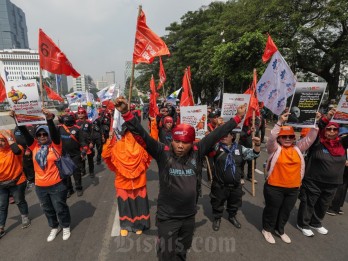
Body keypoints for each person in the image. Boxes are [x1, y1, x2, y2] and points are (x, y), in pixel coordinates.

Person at [114, 96, 246, 261]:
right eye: (177, 141)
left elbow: (217, 134)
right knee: (165, 254)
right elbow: (142, 135)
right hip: (167, 218)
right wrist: (126, 113)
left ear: (193, 142)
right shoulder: (163, 153)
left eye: (185, 142)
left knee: (181, 252)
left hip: (188, 217)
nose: (180, 146)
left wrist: (238, 117)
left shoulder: (198, 152)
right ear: (172, 140)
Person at [262, 112, 319, 244]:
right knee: (272, 210)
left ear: (294, 138)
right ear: (279, 138)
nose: (287, 138)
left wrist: (314, 122)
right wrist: (279, 122)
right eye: (284, 136)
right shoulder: (274, 149)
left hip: (293, 188)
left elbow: (310, 139)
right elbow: (271, 139)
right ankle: (267, 229)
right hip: (274, 187)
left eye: (291, 136)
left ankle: (280, 230)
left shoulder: (298, 148)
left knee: (285, 211)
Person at [15, 109, 71, 242]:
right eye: (39, 134)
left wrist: (49, 119)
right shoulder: (34, 146)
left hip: (57, 185)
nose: (42, 136)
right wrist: (16, 118)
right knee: (47, 209)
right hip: (40, 187)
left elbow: (54, 133)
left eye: (44, 133)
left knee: (60, 208)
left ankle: (66, 226)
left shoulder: (55, 146)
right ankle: (54, 227)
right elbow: (24, 132)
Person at [102, 113, 158, 236]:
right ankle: (126, 225)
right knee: (125, 205)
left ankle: (139, 224)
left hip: (138, 181)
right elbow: (106, 155)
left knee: (139, 204)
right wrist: (109, 139)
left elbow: (153, 145)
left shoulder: (140, 146)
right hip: (122, 182)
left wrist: (154, 125)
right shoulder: (117, 145)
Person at [297, 108, 348, 237]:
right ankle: (303, 224)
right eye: (329, 129)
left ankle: (316, 223)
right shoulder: (318, 141)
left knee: (323, 204)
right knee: (309, 203)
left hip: (333, 183)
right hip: (314, 180)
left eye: (334, 129)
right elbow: (319, 126)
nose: (331, 131)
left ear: (338, 132)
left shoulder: (342, 143)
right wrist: (327, 117)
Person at [210, 130, 261, 231]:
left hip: (236, 185)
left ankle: (232, 216)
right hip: (220, 185)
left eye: (226, 135)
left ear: (232, 136)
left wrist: (257, 144)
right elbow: (204, 147)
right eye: (222, 135)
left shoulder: (240, 148)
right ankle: (217, 218)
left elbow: (254, 154)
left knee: (234, 203)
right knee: (217, 202)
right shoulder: (216, 146)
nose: (223, 137)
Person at [0, 129, 30, 238]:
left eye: (2, 140)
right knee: (2, 205)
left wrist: (8, 137)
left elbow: (17, 151)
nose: (0, 143)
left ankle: (24, 216)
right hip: (2, 184)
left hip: (17, 181)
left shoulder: (17, 148)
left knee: (19, 201)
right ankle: (1, 226)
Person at [58, 112, 86, 197]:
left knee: (76, 173)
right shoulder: (59, 128)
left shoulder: (77, 129)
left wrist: (84, 151)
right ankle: (69, 190)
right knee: (66, 175)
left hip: (75, 155)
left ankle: (79, 188)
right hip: (64, 155)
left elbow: (83, 142)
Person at [76, 107, 95, 181]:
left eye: (82, 113)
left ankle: (91, 171)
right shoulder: (76, 122)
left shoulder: (89, 122)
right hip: (80, 144)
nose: (80, 115)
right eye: (79, 113)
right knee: (81, 158)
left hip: (88, 143)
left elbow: (92, 133)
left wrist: (91, 142)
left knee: (90, 159)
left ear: (85, 114)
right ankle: (83, 171)